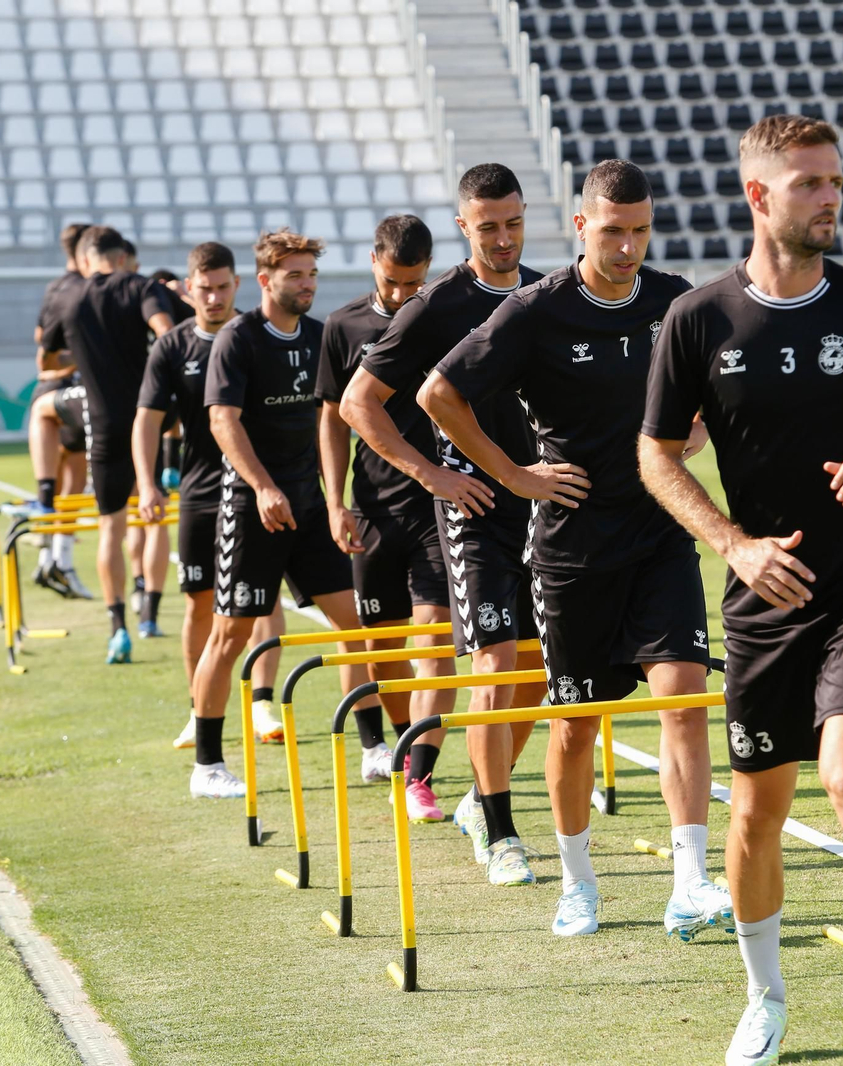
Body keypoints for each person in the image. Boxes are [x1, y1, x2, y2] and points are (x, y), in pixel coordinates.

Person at [637, 115, 843, 1066]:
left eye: (835, 181)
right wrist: (732, 544)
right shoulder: (699, 319)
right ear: (758, 197)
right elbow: (656, 453)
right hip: (762, 598)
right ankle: (764, 1000)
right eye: (810, 182)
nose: (830, 197)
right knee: (754, 814)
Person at [418, 159, 733, 940]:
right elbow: (438, 395)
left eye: (640, 232)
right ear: (582, 225)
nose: (627, 248)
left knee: (684, 700)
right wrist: (515, 475)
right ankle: (579, 884)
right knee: (575, 724)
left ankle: (690, 881)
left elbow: (722, 385)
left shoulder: (676, 300)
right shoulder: (534, 311)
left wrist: (691, 435)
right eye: (613, 231)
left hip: (659, 538)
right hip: (569, 552)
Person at [340, 164, 546, 885]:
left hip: (541, 508)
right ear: (464, 226)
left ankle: (473, 797)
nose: (502, 237)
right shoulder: (433, 307)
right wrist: (433, 475)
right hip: (472, 511)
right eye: (487, 225)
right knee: (494, 663)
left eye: (513, 222)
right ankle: (500, 829)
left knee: (542, 675)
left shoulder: (548, 293)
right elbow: (357, 404)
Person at [184, 228, 372, 800]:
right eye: (295, 275)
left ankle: (372, 747)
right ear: (265, 281)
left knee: (354, 626)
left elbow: (333, 420)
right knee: (230, 634)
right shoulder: (238, 338)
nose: (307, 284)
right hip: (252, 509)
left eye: (312, 274)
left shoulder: (320, 336)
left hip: (312, 507)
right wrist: (263, 487)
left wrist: (335, 500)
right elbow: (224, 423)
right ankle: (208, 764)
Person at [317, 215, 458, 811]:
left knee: (434, 644)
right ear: (375, 260)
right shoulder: (343, 325)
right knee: (385, 651)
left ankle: (417, 774)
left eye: (415, 283)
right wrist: (334, 502)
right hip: (373, 512)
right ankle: (395, 747)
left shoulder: (443, 317)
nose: (404, 295)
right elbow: (331, 417)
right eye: (395, 281)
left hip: (436, 506)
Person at [133, 242, 290, 752]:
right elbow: (147, 422)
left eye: (223, 287)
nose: (215, 297)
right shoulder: (171, 347)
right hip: (202, 493)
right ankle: (199, 707)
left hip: (256, 490)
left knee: (263, 601)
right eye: (204, 288)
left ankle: (262, 700)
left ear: (238, 285)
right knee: (201, 604)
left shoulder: (255, 336)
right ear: (187, 288)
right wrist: (149, 481)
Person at [38, 226, 176, 663]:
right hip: (149, 418)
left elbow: (46, 360)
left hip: (103, 425)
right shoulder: (140, 286)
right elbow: (167, 332)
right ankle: (149, 611)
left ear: (86, 258)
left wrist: (86, 356)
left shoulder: (69, 298)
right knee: (154, 517)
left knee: (111, 529)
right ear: (122, 257)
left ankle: (118, 628)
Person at [25, 222, 92, 597]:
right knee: (76, 478)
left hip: (54, 388)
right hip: (73, 389)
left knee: (74, 477)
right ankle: (59, 559)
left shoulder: (55, 287)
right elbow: (45, 349)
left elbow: (40, 339)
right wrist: (73, 363)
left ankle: (53, 559)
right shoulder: (83, 288)